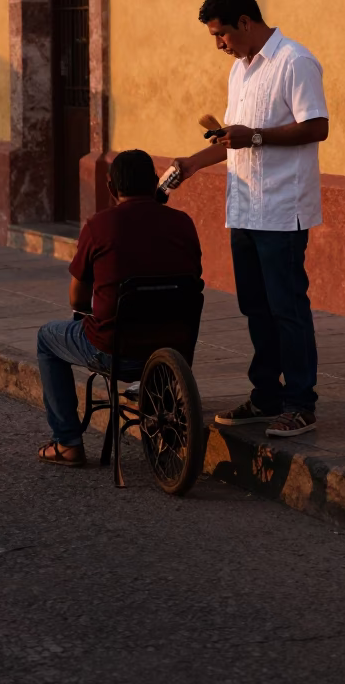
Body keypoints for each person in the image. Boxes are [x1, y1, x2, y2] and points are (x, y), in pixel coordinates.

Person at [174, 0, 328, 438]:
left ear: (245, 22)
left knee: (287, 308)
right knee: (255, 308)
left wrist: (256, 135)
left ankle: (301, 402)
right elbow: (232, 139)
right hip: (243, 209)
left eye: (221, 34)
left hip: (281, 210)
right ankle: (266, 395)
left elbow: (317, 126)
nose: (220, 45)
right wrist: (192, 165)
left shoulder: (294, 61)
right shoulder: (239, 72)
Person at [37, 149, 203, 466]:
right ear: (155, 183)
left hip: (116, 350)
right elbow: (193, 279)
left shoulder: (99, 226)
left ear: (111, 188)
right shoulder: (183, 223)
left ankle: (67, 442)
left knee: (47, 338)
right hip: (174, 347)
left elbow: (77, 301)